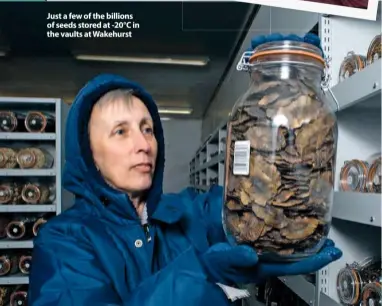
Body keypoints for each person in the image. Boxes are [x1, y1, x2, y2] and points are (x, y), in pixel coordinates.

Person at [28, 35, 342, 306]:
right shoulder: (61, 243)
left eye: (148, 129)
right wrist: (200, 275)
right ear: (89, 154)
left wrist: (286, 79)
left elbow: (254, 207)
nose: (143, 144)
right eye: (120, 132)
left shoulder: (188, 213)